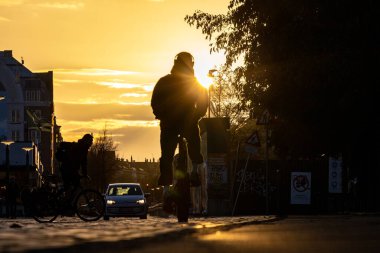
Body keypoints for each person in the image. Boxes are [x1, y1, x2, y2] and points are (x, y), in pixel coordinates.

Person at [151, 52, 208, 213]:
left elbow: (155, 102)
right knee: (194, 143)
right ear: (191, 64)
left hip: (169, 124)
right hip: (187, 123)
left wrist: (161, 114)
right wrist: (197, 115)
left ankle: (166, 190)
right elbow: (204, 102)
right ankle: (195, 172)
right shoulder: (194, 82)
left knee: (167, 154)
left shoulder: (164, 81)